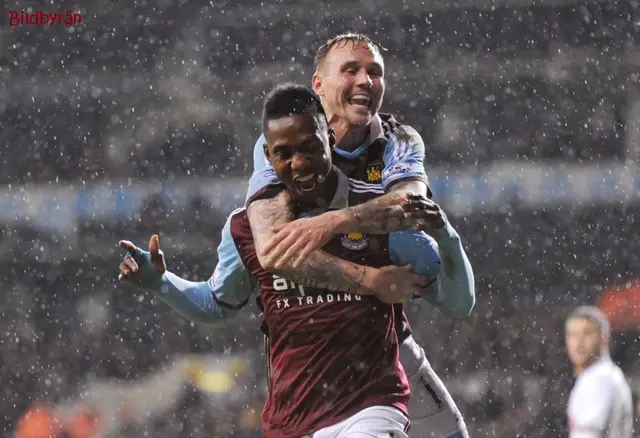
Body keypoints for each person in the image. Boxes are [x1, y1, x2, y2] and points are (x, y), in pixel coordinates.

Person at [118, 83, 474, 437]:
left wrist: (445, 235)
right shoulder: (246, 229)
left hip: (371, 406)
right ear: (269, 159)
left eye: (309, 148)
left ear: (330, 141)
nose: (299, 163)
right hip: (290, 420)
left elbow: (458, 302)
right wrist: (161, 283)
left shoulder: (375, 217)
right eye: (284, 153)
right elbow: (217, 306)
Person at [242, 32, 473, 437]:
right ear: (319, 84)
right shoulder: (281, 139)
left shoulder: (399, 140)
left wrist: (330, 222)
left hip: (382, 342)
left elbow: (408, 207)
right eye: (350, 70)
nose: (365, 81)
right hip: (315, 351)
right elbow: (273, 248)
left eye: (375, 72)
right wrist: (369, 280)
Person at [565, 305, 633, 438]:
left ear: (604, 339)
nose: (578, 343)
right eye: (573, 335)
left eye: (587, 334)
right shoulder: (598, 375)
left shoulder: (600, 379)